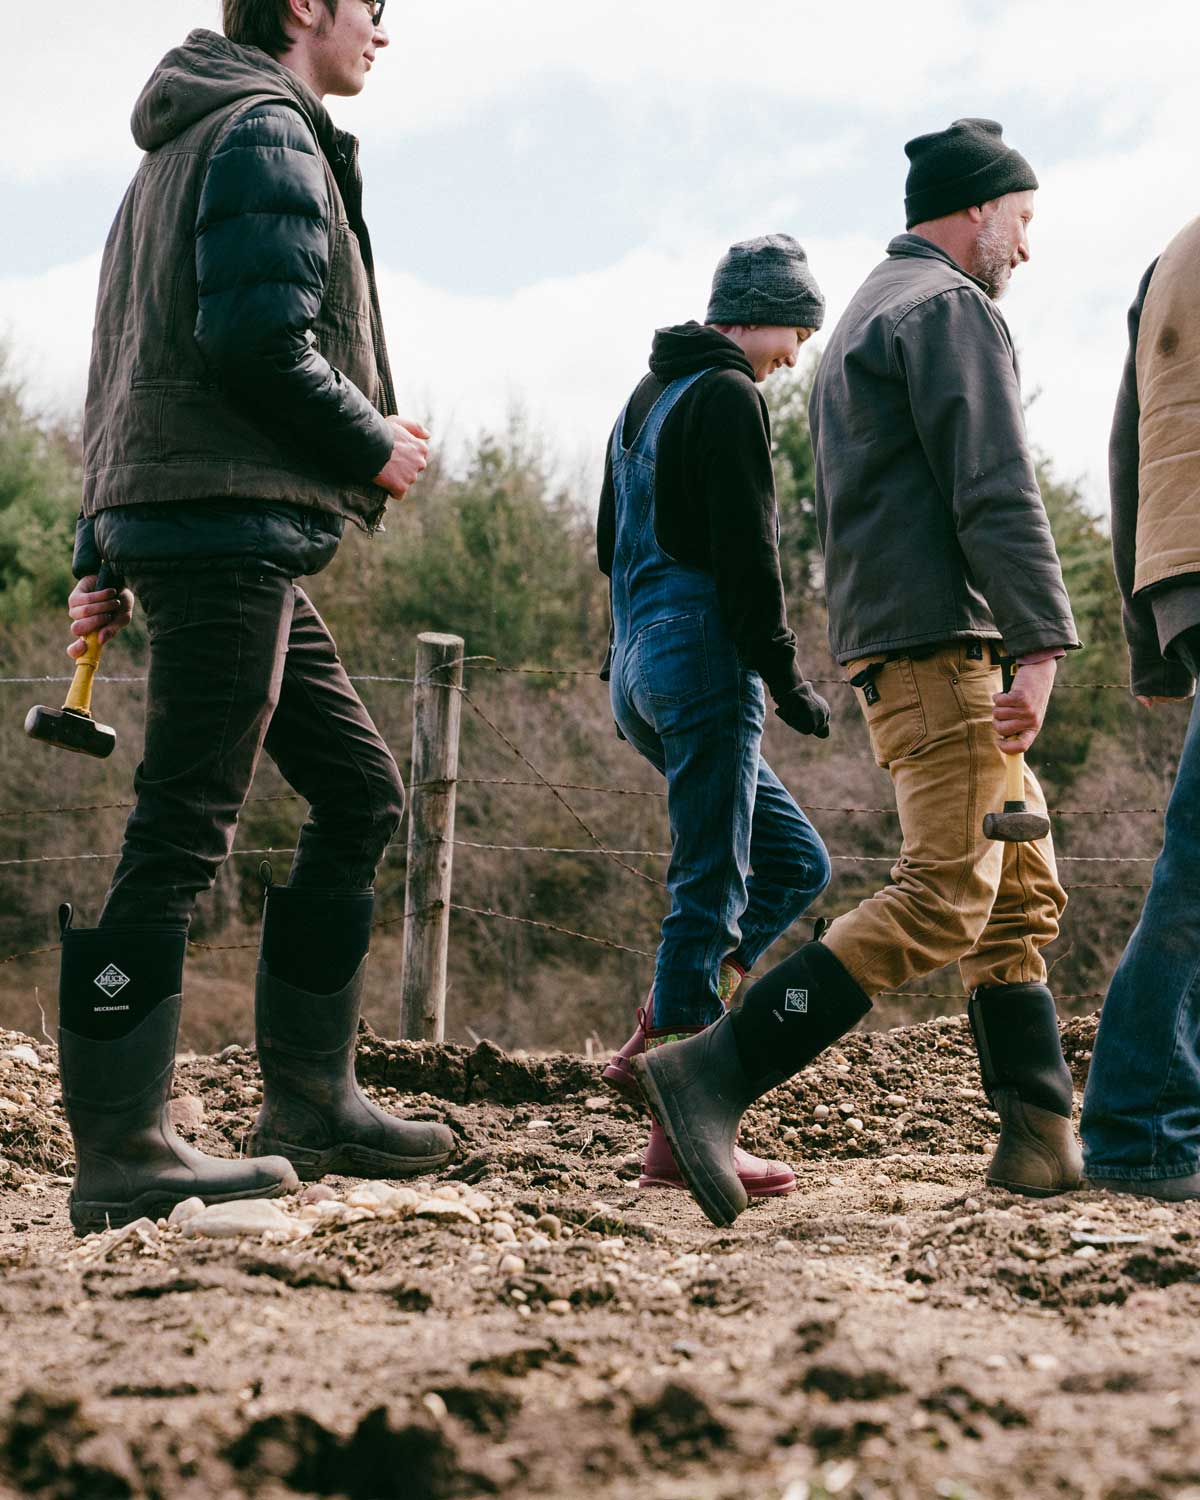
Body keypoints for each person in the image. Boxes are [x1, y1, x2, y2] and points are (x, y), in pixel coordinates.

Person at [633, 121, 1083, 1227]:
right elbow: (995, 485)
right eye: (1021, 223)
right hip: (950, 658)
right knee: (945, 895)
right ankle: (710, 1076)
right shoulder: (943, 309)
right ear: (978, 210)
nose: (1024, 250)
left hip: (915, 649)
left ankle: (1038, 1141)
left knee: (1016, 893)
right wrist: (1041, 642)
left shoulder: (878, 312)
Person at [57, 0, 453, 1235]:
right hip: (224, 529)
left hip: (214, 528)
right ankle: (123, 1150)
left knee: (361, 791)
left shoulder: (180, 144)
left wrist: (100, 544)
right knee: (182, 826)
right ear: (304, 8)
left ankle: (311, 1104)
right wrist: (371, 439)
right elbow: (251, 342)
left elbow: (128, 365)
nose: (384, 31)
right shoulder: (263, 133)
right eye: (372, 8)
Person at [598, 235, 834, 1198]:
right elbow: (750, 558)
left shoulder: (642, 402)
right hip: (701, 659)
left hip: (637, 663)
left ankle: (658, 1038)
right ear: (760, 313)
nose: (797, 353)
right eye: (797, 330)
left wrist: (628, 666)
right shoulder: (730, 393)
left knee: (793, 863)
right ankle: (681, 1134)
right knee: (709, 884)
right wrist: (787, 679)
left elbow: (609, 548)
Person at [1080, 217, 1200, 1199]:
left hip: (1184, 576)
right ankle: (1141, 1126)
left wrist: (1151, 629)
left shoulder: (1174, 255)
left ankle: (1145, 1120)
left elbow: (1125, 450)